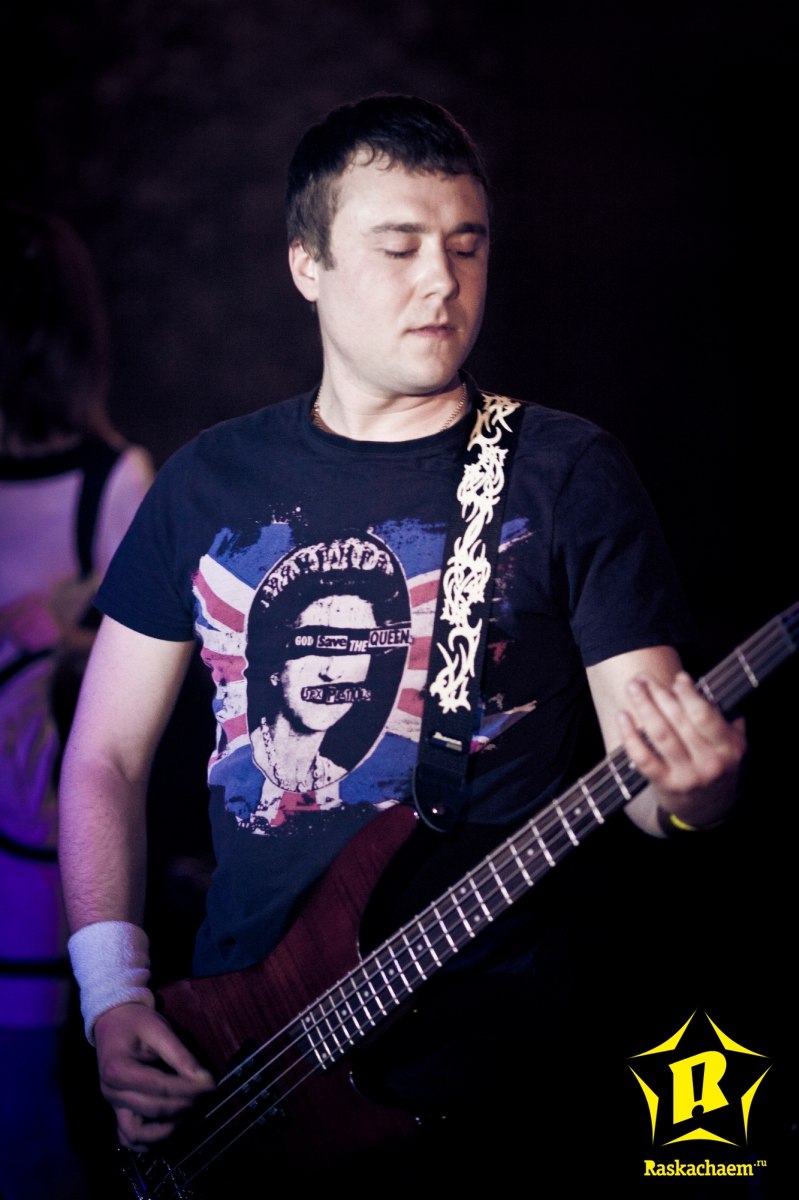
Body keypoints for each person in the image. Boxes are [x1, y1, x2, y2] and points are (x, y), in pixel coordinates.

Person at [58, 95, 747, 1192]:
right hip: (239, 1047)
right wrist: (111, 993)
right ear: (307, 264)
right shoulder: (207, 479)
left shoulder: (564, 470)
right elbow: (104, 756)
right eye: (399, 247)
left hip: (493, 1067)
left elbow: (652, 774)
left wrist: (694, 795)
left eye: (466, 247)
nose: (442, 280)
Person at [0, 202, 155, 1199]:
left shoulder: (113, 481)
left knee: (25, 1129)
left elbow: (148, 688)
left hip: (27, 857)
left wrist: (60, 637)